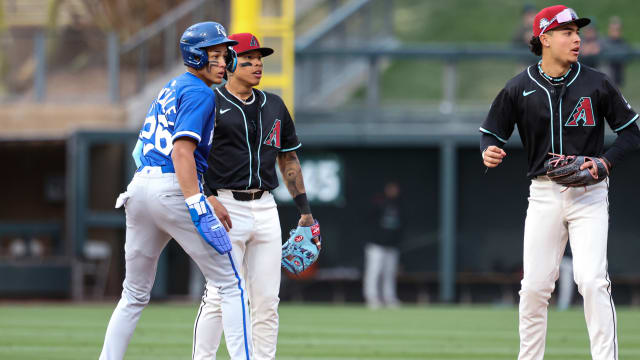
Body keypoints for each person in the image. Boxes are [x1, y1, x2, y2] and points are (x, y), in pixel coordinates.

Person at [480, 5, 640, 359]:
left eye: (577, 32)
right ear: (544, 39)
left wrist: (605, 162)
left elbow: (632, 134)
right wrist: (488, 150)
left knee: (592, 280)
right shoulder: (519, 87)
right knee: (535, 287)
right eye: (566, 32)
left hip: (590, 193)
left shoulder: (596, 82)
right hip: (544, 194)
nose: (576, 38)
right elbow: (491, 133)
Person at [99, 22, 252, 360]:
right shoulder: (200, 92)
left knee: (133, 294)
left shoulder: (172, 86)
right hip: (173, 187)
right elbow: (181, 151)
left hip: (139, 187)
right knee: (231, 283)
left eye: (224, 54)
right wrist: (197, 202)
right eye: (215, 55)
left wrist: (204, 195)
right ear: (196, 56)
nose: (224, 61)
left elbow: (140, 151)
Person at [192, 32, 318, 360]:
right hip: (225, 204)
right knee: (220, 296)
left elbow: (288, 158)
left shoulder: (274, 104)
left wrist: (304, 209)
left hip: (265, 207)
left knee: (267, 301)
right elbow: (189, 156)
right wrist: (206, 196)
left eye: (260, 59)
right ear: (230, 63)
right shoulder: (211, 102)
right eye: (248, 59)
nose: (257, 65)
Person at [363, 181, 403, 309]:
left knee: (389, 273)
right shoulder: (378, 203)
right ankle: (372, 298)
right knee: (374, 272)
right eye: (391, 189)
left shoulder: (398, 205)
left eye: (395, 189)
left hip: (391, 246)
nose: (393, 191)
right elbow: (368, 220)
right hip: (376, 245)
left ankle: (389, 298)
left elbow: (401, 226)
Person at [604, 16, 630, 87]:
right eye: (613, 29)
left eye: (617, 30)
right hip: (606, 78)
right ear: (609, 30)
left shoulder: (623, 43)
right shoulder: (604, 43)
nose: (615, 32)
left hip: (618, 78)